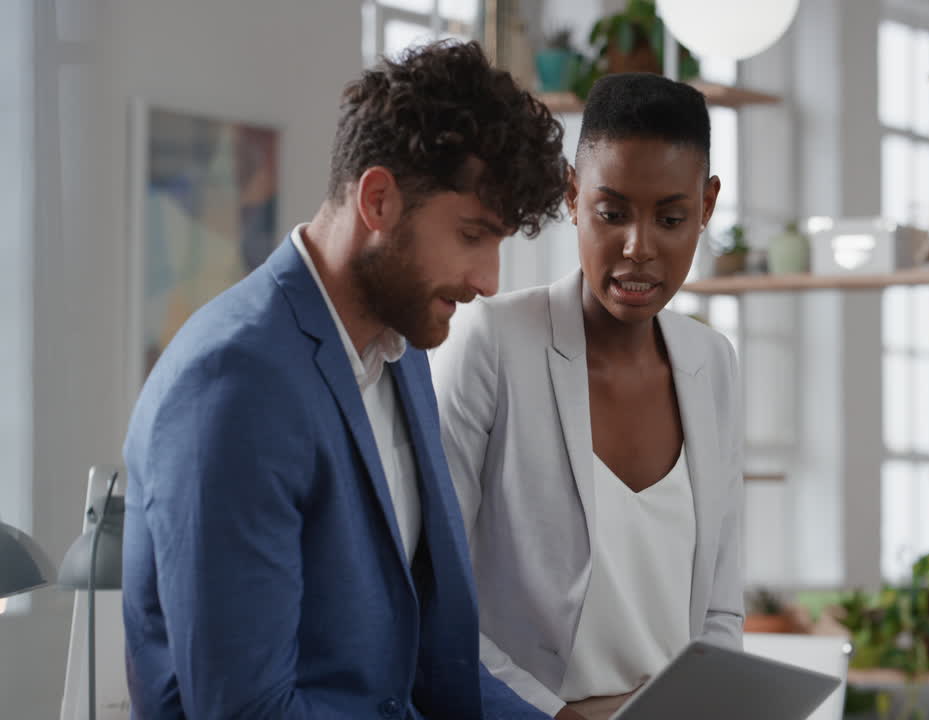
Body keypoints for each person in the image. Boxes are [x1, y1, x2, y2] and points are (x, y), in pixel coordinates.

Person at [121, 41, 566, 719]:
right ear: (379, 200)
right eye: (472, 234)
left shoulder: (401, 345)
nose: (488, 280)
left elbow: (422, 667)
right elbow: (248, 711)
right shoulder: (235, 385)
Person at [432, 73, 744, 720]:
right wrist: (562, 718)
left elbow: (718, 607)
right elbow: (434, 597)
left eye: (671, 218)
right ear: (574, 197)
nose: (638, 248)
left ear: (707, 207)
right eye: (612, 213)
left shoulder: (712, 365)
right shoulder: (495, 343)